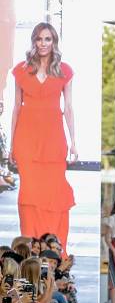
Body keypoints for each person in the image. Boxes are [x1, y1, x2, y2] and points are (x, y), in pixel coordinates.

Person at [9, 22, 77, 256]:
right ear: (33, 41)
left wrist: (74, 141)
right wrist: (11, 145)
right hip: (26, 140)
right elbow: (16, 108)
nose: (43, 43)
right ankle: (30, 250)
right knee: (29, 193)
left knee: (54, 191)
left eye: (47, 39)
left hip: (54, 139)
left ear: (54, 42)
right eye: (39, 39)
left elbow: (68, 108)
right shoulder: (21, 69)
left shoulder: (64, 70)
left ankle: (54, 250)